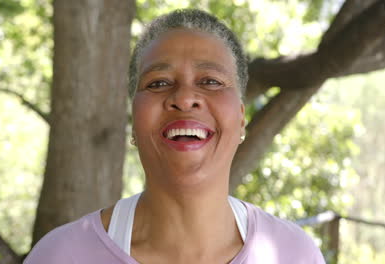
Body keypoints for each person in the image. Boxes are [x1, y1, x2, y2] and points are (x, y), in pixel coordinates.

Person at [24, 9, 325, 264]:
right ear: (134, 122)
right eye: (158, 83)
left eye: (210, 81)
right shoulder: (62, 255)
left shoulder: (295, 254)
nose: (184, 98)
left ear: (242, 120)